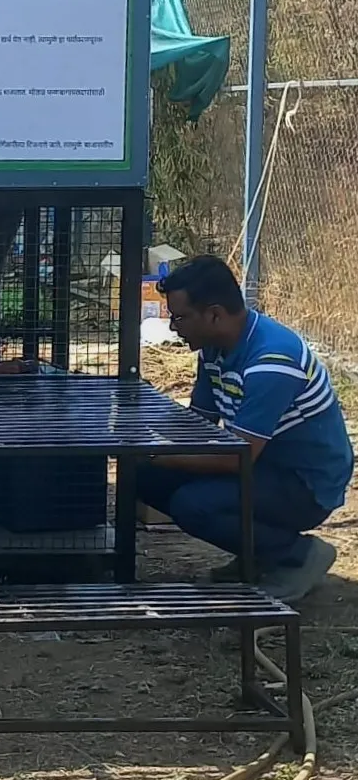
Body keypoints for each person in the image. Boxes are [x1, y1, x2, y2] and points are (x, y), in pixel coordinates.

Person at [138, 255, 353, 602]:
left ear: (215, 314)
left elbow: (234, 459)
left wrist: (154, 451)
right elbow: (199, 421)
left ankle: (297, 555)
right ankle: (257, 554)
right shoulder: (214, 348)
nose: (174, 327)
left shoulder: (272, 362)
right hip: (263, 463)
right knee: (145, 476)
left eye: (180, 317)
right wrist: (141, 431)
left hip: (304, 483)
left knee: (194, 505)